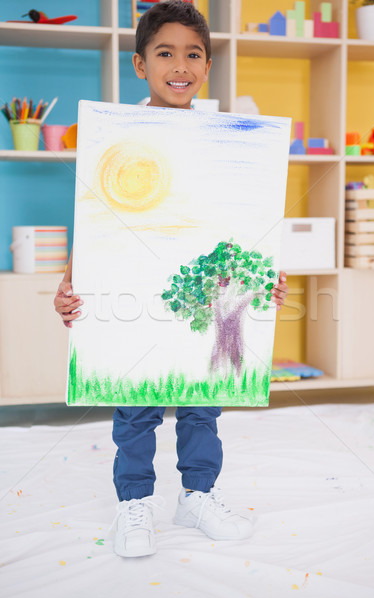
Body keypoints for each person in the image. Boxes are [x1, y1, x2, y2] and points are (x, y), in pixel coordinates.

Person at [54, 0, 289, 558]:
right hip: (131, 296)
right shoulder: (116, 138)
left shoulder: (231, 144)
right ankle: (134, 502)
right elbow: (96, 225)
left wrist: (261, 281)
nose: (180, 64)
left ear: (207, 66)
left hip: (204, 299)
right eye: (165, 52)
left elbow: (243, 226)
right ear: (140, 64)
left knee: (202, 400)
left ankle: (198, 494)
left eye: (194, 54)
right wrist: (69, 284)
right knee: (134, 400)